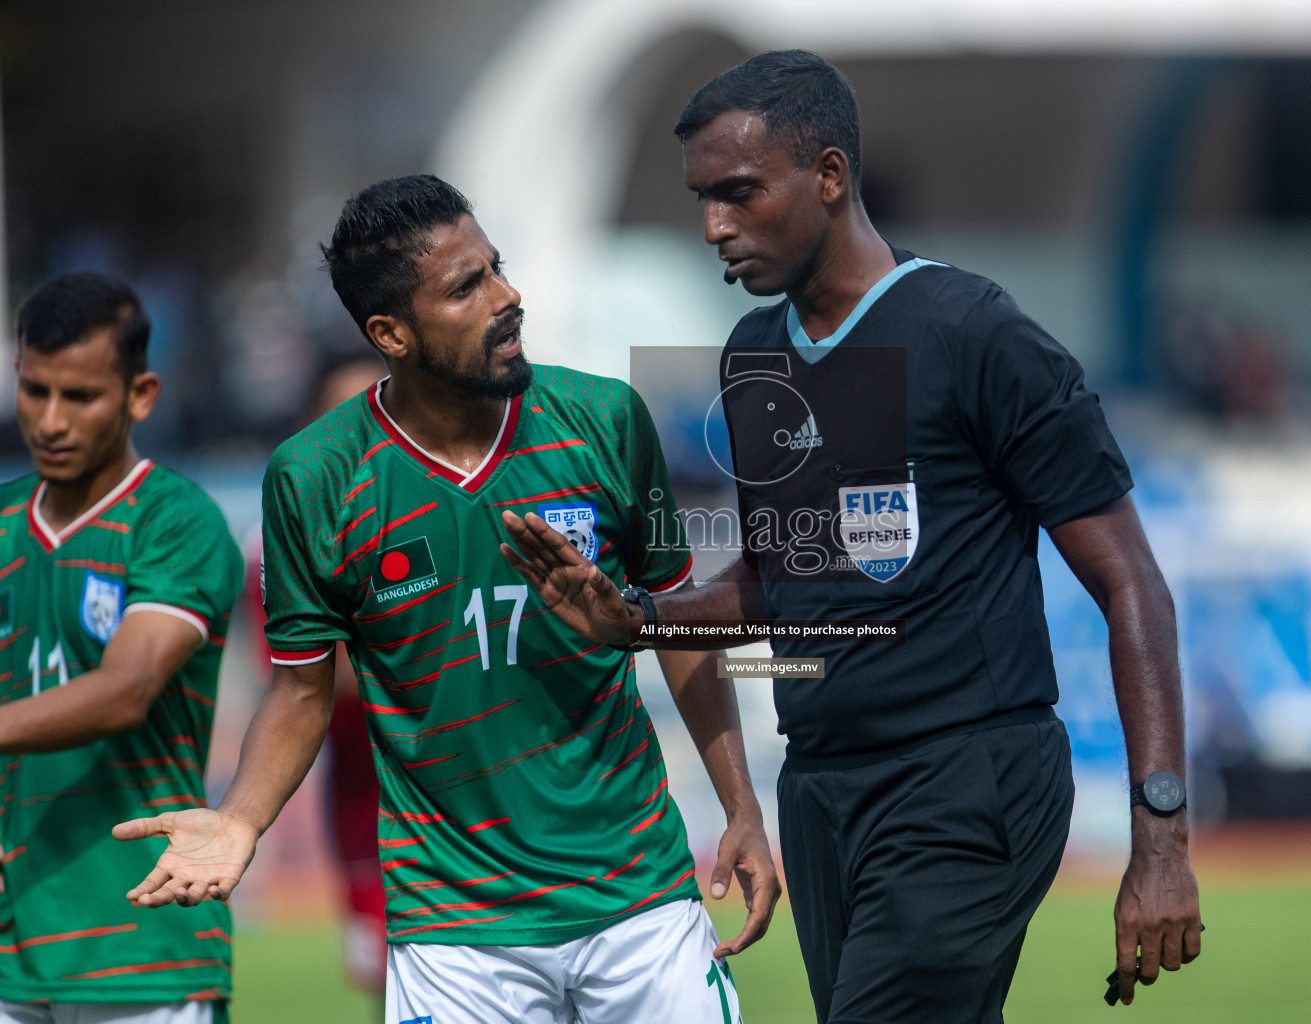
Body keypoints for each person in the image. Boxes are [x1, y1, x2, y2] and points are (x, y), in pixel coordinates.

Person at [500, 50, 1202, 1022]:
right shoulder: (754, 358)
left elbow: (1133, 583)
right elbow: (775, 579)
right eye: (703, 199)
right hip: (823, 788)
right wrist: (638, 618)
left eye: (740, 194)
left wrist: (1160, 837)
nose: (715, 226)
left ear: (829, 176)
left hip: (966, 777)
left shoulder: (973, 332)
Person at [114, 175, 778, 1024]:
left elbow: (678, 620)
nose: (509, 297)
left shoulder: (605, 418)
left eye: (495, 268)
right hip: (453, 931)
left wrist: (741, 806)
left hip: (637, 897)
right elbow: (300, 686)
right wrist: (242, 821)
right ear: (390, 332)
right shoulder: (315, 477)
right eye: (467, 287)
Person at [0, 272, 243, 1024]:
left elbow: (126, 687)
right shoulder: (3, 523)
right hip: (13, 951)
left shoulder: (176, 520)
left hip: (144, 947)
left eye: (80, 397)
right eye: (34, 391)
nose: (49, 420)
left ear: (141, 395)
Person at [238, 353, 389, 997]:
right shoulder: (275, 541)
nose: (361, 436)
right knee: (395, 991)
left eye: (377, 413)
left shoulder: (469, 502)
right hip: (374, 813)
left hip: (499, 803)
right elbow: (309, 679)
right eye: (339, 417)